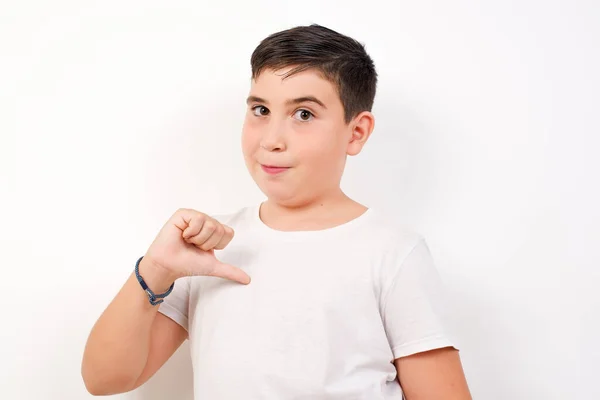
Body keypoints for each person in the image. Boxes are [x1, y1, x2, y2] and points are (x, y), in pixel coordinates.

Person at [81, 23, 472, 399]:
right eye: (260, 110)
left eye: (304, 114)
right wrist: (156, 269)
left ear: (356, 132)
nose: (271, 140)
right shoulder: (209, 247)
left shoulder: (392, 253)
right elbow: (104, 379)